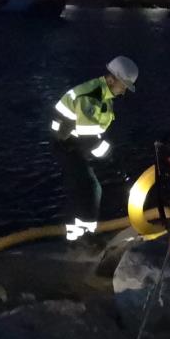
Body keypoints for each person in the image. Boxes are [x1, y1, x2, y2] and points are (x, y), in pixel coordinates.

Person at [50, 56, 138, 241]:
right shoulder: (90, 97)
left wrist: (110, 156)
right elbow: (89, 139)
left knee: (86, 188)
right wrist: (113, 163)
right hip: (67, 145)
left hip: (75, 143)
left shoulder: (102, 93)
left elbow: (93, 132)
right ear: (112, 78)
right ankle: (81, 238)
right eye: (123, 86)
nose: (123, 92)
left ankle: (82, 235)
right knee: (88, 188)